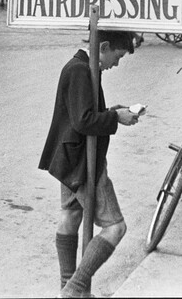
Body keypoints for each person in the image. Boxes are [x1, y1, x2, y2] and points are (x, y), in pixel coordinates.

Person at [39, 30, 140, 298]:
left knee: (70, 218)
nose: (116, 63)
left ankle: (67, 287)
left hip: (70, 160)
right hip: (83, 163)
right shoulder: (81, 71)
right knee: (116, 227)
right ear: (103, 47)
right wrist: (115, 118)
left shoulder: (82, 68)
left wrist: (113, 112)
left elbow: (83, 113)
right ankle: (73, 290)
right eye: (117, 56)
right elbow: (83, 121)